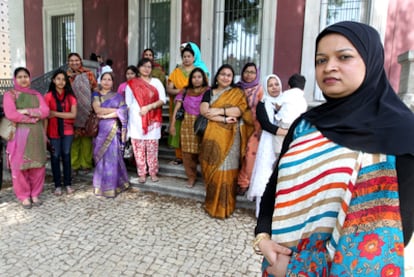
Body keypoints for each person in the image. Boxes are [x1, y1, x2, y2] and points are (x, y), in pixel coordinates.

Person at [254, 21, 414, 276]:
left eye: (344, 57)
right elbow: (275, 185)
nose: (329, 67)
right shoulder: (305, 125)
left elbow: (395, 234)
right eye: (321, 60)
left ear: (371, 60)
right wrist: (262, 237)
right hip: (276, 265)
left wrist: (296, 270)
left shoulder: (401, 131)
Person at [199, 64, 254, 219]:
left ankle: (226, 207)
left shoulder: (237, 93)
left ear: (232, 78)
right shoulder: (208, 93)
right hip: (212, 137)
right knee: (213, 170)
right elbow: (204, 111)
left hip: (231, 138)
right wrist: (223, 117)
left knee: (229, 170)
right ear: (217, 76)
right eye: (222, 74)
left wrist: (217, 111)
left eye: (229, 75)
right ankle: (211, 205)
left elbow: (238, 111)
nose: (225, 77)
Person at [3, 67, 50, 209]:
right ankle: (24, 196)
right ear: (15, 79)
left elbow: (45, 111)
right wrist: (31, 118)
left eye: (26, 76)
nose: (23, 79)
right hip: (19, 136)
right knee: (19, 167)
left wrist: (26, 111)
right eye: (20, 77)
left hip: (36, 135)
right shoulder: (10, 94)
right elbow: (11, 114)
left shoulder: (36, 94)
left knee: (38, 166)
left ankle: (35, 194)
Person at [247, 74, 287, 217]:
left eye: (276, 84)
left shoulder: (287, 102)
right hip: (268, 142)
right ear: (265, 87)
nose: (274, 87)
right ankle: (262, 212)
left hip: (284, 143)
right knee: (265, 173)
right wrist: (287, 132)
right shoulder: (263, 104)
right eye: (270, 85)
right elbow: (267, 125)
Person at [167, 42, 209, 165]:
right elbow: (169, 89)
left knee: (194, 130)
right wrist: (182, 91)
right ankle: (179, 156)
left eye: (189, 56)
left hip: (195, 105)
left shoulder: (198, 71)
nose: (186, 59)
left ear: (194, 57)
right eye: (184, 56)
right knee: (178, 129)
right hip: (179, 103)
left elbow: (205, 87)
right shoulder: (176, 71)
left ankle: (196, 157)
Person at [126, 58, 166, 184]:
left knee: (152, 148)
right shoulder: (132, 83)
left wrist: (148, 107)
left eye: (149, 66)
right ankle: (142, 173)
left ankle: (153, 172)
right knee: (138, 149)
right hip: (136, 120)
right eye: (143, 66)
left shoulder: (156, 82)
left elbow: (162, 100)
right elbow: (128, 103)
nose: (146, 69)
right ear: (139, 68)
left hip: (152, 120)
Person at [169, 68, 209, 188]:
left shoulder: (208, 91)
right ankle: (191, 177)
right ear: (190, 79)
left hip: (203, 123)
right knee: (187, 153)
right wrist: (172, 124)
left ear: (203, 78)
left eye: (199, 77)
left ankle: (207, 178)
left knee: (204, 151)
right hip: (186, 124)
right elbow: (177, 107)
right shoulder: (185, 91)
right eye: (194, 77)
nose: (196, 80)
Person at [92, 72, 129, 197]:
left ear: (113, 82)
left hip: (113, 129)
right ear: (100, 81)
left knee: (113, 157)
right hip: (101, 130)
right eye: (104, 79)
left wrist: (106, 115)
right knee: (101, 157)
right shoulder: (96, 95)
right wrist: (117, 111)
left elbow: (123, 111)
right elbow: (97, 110)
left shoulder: (118, 96)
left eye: (109, 79)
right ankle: (100, 187)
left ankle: (114, 186)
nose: (107, 82)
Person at [44, 69, 77, 196]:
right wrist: (44, 133)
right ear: (53, 80)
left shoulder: (71, 96)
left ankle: (68, 183)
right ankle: (57, 185)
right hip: (52, 130)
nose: (61, 81)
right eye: (58, 79)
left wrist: (55, 113)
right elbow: (46, 116)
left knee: (67, 155)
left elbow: (73, 115)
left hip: (68, 130)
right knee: (55, 156)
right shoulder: (48, 96)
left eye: (63, 79)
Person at [66, 52, 98, 175]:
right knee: (74, 139)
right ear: (68, 62)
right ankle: (74, 165)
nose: (74, 62)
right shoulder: (66, 76)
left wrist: (94, 104)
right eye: (72, 60)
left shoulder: (88, 73)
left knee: (86, 139)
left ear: (81, 61)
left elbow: (95, 89)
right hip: (72, 110)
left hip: (87, 109)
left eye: (77, 60)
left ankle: (86, 164)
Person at [236, 62, 264, 196]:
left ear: (256, 74)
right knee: (239, 154)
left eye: (252, 72)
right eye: (246, 72)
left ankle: (244, 183)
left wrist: (261, 128)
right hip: (238, 126)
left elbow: (263, 111)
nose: (249, 75)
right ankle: (236, 180)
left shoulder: (259, 89)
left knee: (250, 155)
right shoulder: (237, 88)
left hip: (254, 128)